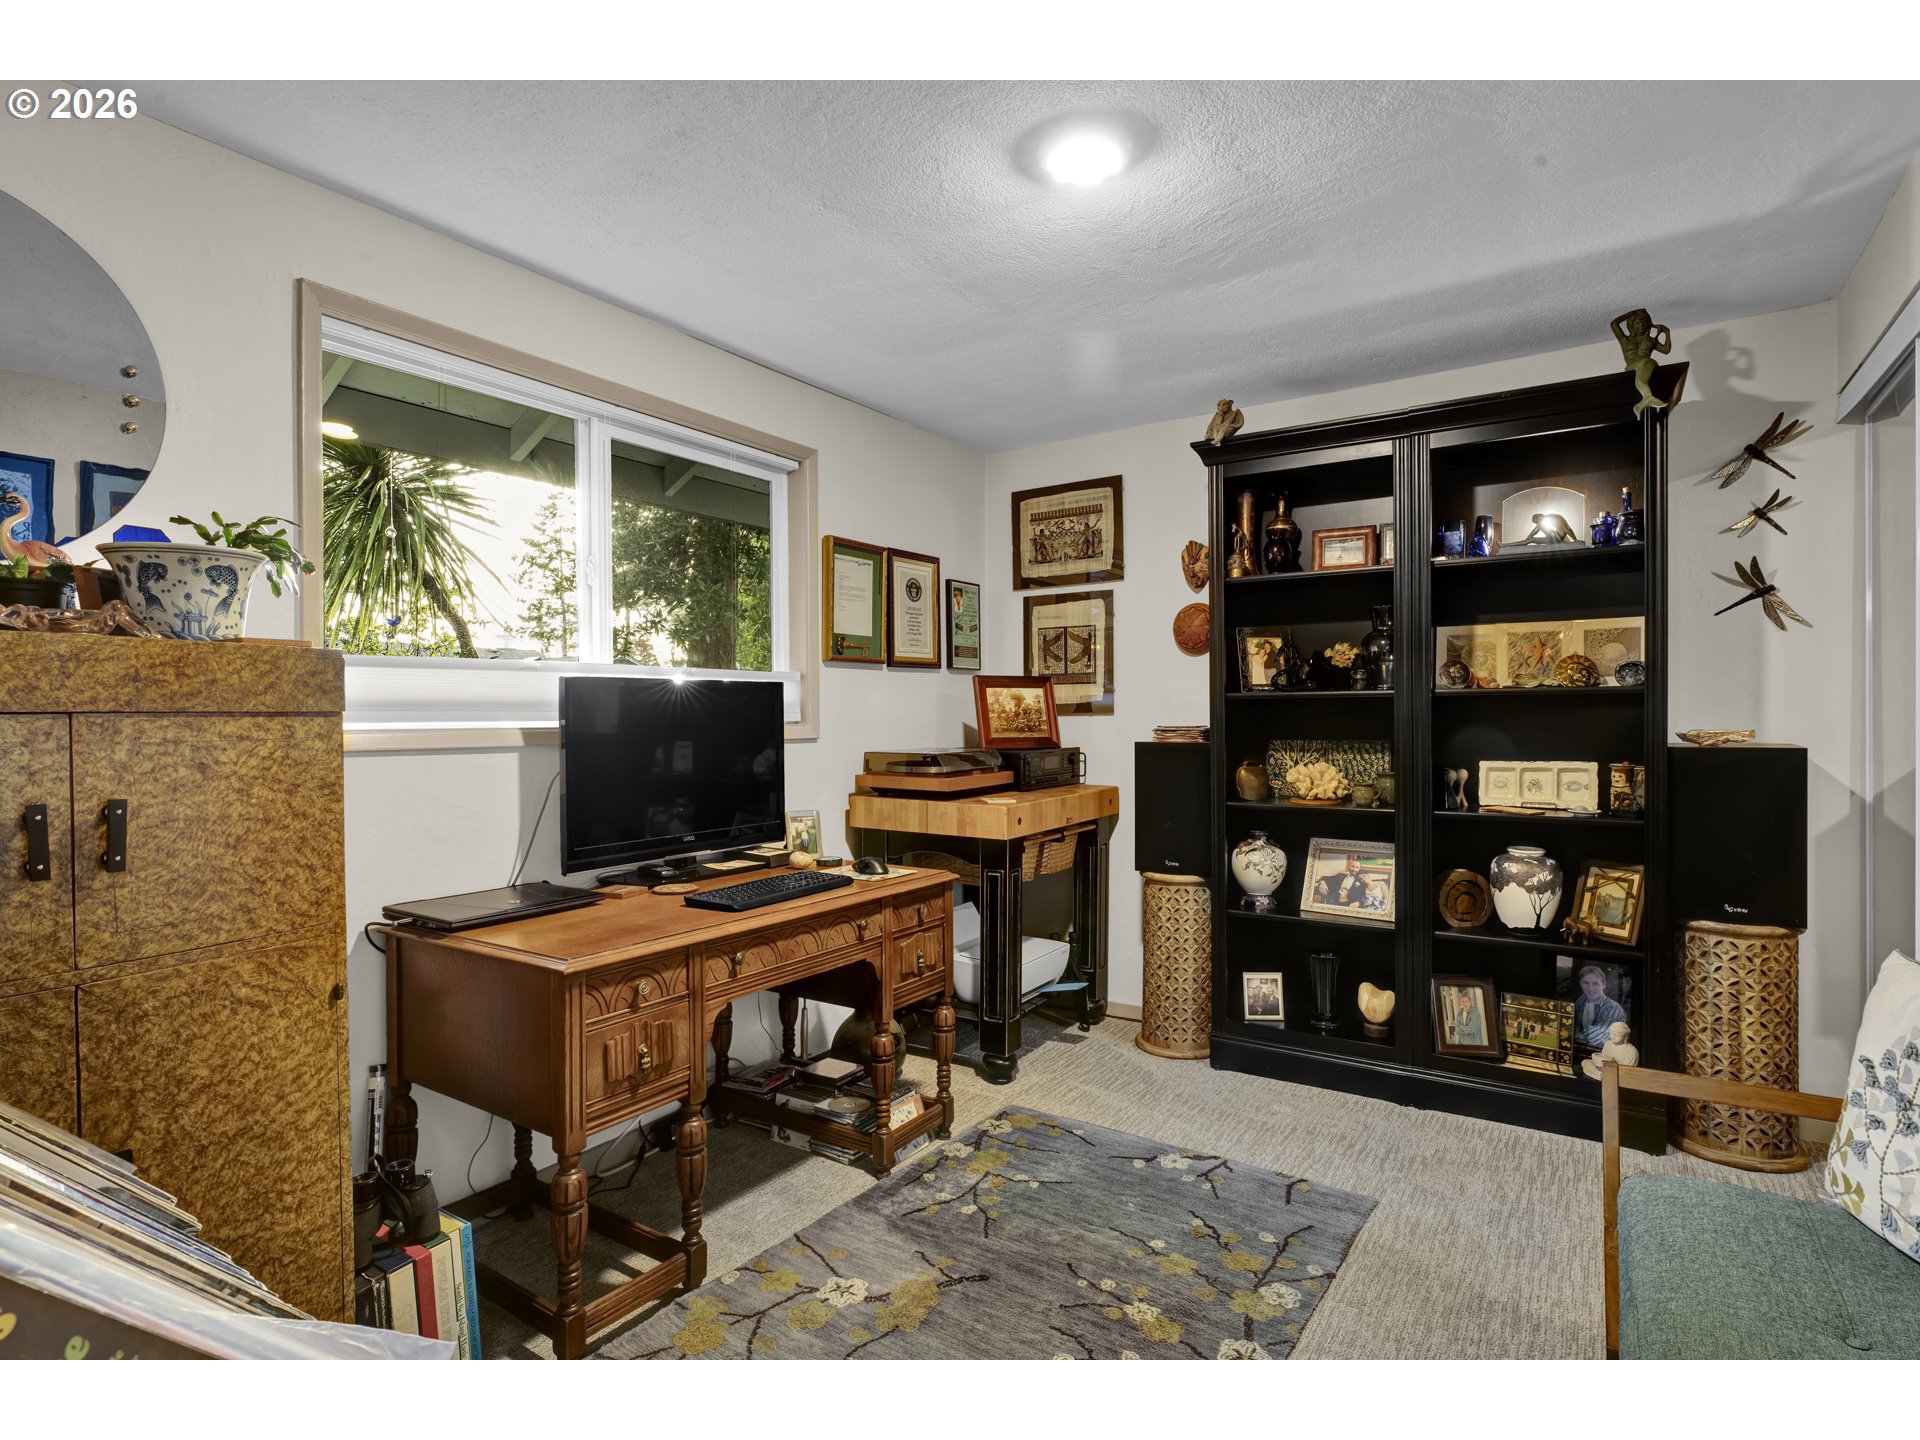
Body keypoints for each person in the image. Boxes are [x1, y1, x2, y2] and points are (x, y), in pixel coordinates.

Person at [1573, 965, 1627, 1048]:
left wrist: (1570, 1036)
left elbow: (1600, 1037)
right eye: (1586, 983)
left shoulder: (1613, 1008)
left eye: (1595, 983)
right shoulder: (1580, 1002)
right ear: (1581, 984)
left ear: (1603, 984)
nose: (1590, 988)